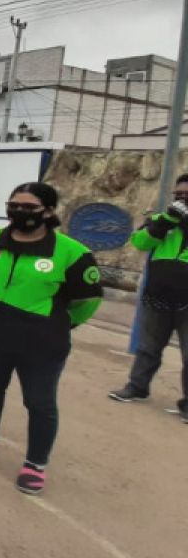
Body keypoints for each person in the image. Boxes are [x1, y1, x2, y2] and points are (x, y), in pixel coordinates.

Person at [0, 182, 103, 496]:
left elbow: (88, 300)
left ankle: (35, 464)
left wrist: (60, 323)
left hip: (42, 339)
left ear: (48, 211)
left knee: (39, 401)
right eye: (14, 205)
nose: (19, 212)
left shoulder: (71, 253)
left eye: (28, 207)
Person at [108, 174, 188, 423]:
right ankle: (137, 387)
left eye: (187, 196)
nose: (181, 200)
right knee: (148, 347)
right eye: (178, 195)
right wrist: (164, 223)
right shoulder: (162, 220)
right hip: (158, 298)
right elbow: (139, 242)